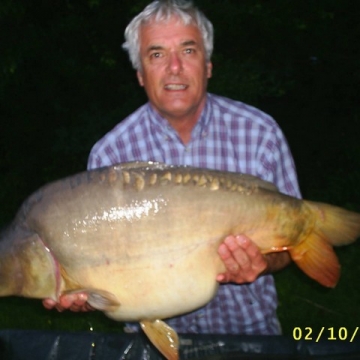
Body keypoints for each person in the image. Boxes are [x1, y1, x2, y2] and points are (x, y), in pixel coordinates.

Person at [43, 0, 301, 335]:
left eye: (188, 50)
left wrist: (263, 262)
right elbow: (102, 280)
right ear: (140, 74)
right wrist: (81, 290)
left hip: (250, 333)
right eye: (157, 54)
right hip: (152, 343)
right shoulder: (110, 154)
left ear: (208, 65)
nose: (175, 67)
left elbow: (296, 240)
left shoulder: (260, 133)